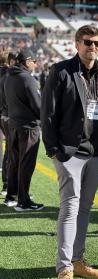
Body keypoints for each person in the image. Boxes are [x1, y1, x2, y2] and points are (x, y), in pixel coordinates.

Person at [41, 25, 98, 279]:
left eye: (97, 43)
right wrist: (54, 151)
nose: (93, 47)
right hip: (70, 153)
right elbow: (48, 113)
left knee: (85, 207)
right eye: (87, 42)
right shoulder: (61, 70)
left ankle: (77, 260)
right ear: (76, 44)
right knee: (70, 207)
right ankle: (64, 269)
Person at [4, 49, 44, 211]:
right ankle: (23, 201)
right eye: (34, 60)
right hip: (27, 127)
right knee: (26, 164)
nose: (35, 63)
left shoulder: (9, 77)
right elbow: (38, 106)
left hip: (13, 124)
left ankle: (11, 195)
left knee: (14, 162)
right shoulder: (27, 78)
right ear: (27, 61)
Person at [0, 51, 17, 201]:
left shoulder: (4, 75)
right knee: (11, 152)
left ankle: (7, 185)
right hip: (8, 115)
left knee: (9, 151)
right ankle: (8, 187)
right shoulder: (7, 76)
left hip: (3, 114)